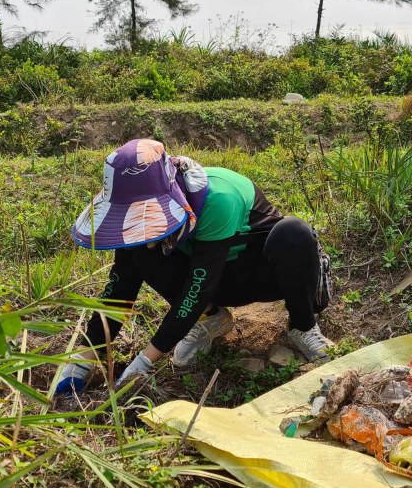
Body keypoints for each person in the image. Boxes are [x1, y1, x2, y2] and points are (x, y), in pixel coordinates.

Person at [55, 138, 334, 394]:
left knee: (294, 232)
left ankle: (302, 325)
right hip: (210, 278)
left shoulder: (219, 198)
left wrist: (144, 361)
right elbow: (120, 287)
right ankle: (211, 318)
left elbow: (200, 285)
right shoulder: (137, 225)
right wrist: (82, 358)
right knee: (138, 256)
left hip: (260, 273)